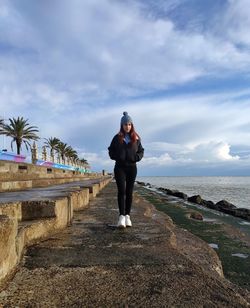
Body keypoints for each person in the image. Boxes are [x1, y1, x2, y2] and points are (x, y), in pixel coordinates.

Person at [108, 111, 144, 228]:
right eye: (125, 124)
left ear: (131, 125)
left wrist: (136, 157)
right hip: (120, 168)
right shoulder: (117, 137)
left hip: (132, 168)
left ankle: (128, 216)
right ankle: (121, 217)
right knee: (121, 191)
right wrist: (116, 157)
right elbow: (110, 150)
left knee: (129, 192)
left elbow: (141, 151)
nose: (127, 126)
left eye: (129, 124)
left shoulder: (136, 138)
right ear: (122, 125)